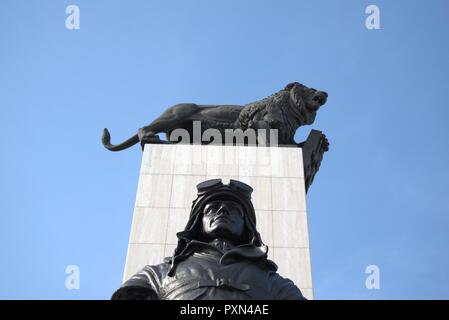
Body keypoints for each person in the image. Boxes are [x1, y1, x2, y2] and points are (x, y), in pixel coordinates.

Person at [112, 179, 305, 300]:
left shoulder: (273, 281)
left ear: (247, 226)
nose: (222, 210)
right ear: (199, 221)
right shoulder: (158, 274)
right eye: (212, 208)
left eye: (234, 209)